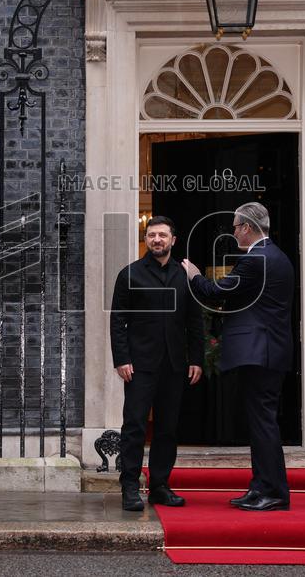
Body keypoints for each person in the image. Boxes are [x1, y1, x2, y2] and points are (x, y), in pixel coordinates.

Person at [181, 202, 295, 512]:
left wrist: (193, 276)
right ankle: (261, 487)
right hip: (267, 352)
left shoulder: (256, 259)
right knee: (260, 423)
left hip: (261, 353)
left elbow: (218, 291)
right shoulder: (277, 256)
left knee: (262, 424)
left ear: (246, 228)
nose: (233, 232)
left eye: (235, 226)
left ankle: (273, 491)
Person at [110, 216, 204, 512]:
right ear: (147, 239)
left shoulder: (184, 276)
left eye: (163, 235)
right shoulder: (130, 274)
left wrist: (197, 359)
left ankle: (160, 486)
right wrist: (121, 358)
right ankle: (129, 486)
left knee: (166, 429)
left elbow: (194, 321)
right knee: (135, 425)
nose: (157, 240)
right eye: (152, 235)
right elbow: (118, 321)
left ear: (173, 240)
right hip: (139, 365)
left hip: (175, 365)